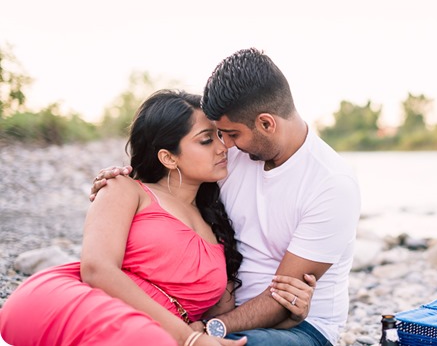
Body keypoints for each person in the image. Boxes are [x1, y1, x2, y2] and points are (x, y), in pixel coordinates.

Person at [91, 48, 362, 345]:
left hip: (300, 327)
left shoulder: (332, 185)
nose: (224, 145)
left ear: (266, 123)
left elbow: (282, 301)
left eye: (231, 134)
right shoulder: (235, 154)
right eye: (217, 135)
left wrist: (206, 331)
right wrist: (125, 177)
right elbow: (175, 172)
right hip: (214, 315)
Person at [0, 90, 313, 346]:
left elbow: (220, 320)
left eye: (221, 135)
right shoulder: (126, 190)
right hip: (75, 302)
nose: (224, 147)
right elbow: (96, 269)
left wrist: (291, 316)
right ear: (168, 157)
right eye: (207, 140)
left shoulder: (219, 229)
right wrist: (187, 338)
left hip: (150, 334)